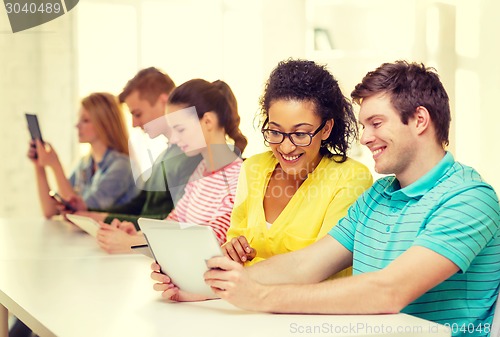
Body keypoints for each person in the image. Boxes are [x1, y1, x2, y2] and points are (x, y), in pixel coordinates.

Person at [152, 61, 500, 335]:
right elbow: (303, 265)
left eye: (376, 123)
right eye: (364, 125)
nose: (365, 138)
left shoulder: (468, 199)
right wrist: (206, 287)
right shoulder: (378, 197)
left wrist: (259, 297)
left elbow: (389, 291)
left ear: (420, 120)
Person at [222, 59, 372, 267]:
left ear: (326, 129)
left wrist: (238, 273)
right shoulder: (253, 168)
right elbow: (233, 244)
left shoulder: (351, 179)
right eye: (275, 131)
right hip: (240, 299)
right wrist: (230, 252)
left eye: (300, 134)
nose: (285, 147)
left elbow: (316, 268)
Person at [97, 79, 247, 252]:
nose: (174, 139)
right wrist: (137, 235)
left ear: (207, 122)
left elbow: (207, 242)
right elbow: (174, 223)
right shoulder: (201, 171)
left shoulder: (238, 180)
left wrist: (130, 244)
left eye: (180, 130)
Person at [77, 67, 201, 228]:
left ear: (164, 102)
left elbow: (176, 222)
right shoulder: (165, 156)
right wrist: (92, 214)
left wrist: (100, 218)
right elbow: (139, 205)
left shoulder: (191, 156)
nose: (134, 124)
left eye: (137, 114)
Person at [28, 92, 138, 218]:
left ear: (104, 124)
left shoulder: (122, 166)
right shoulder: (86, 163)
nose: (77, 126)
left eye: (85, 120)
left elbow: (79, 214)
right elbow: (50, 211)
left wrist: (55, 166)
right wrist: (39, 165)